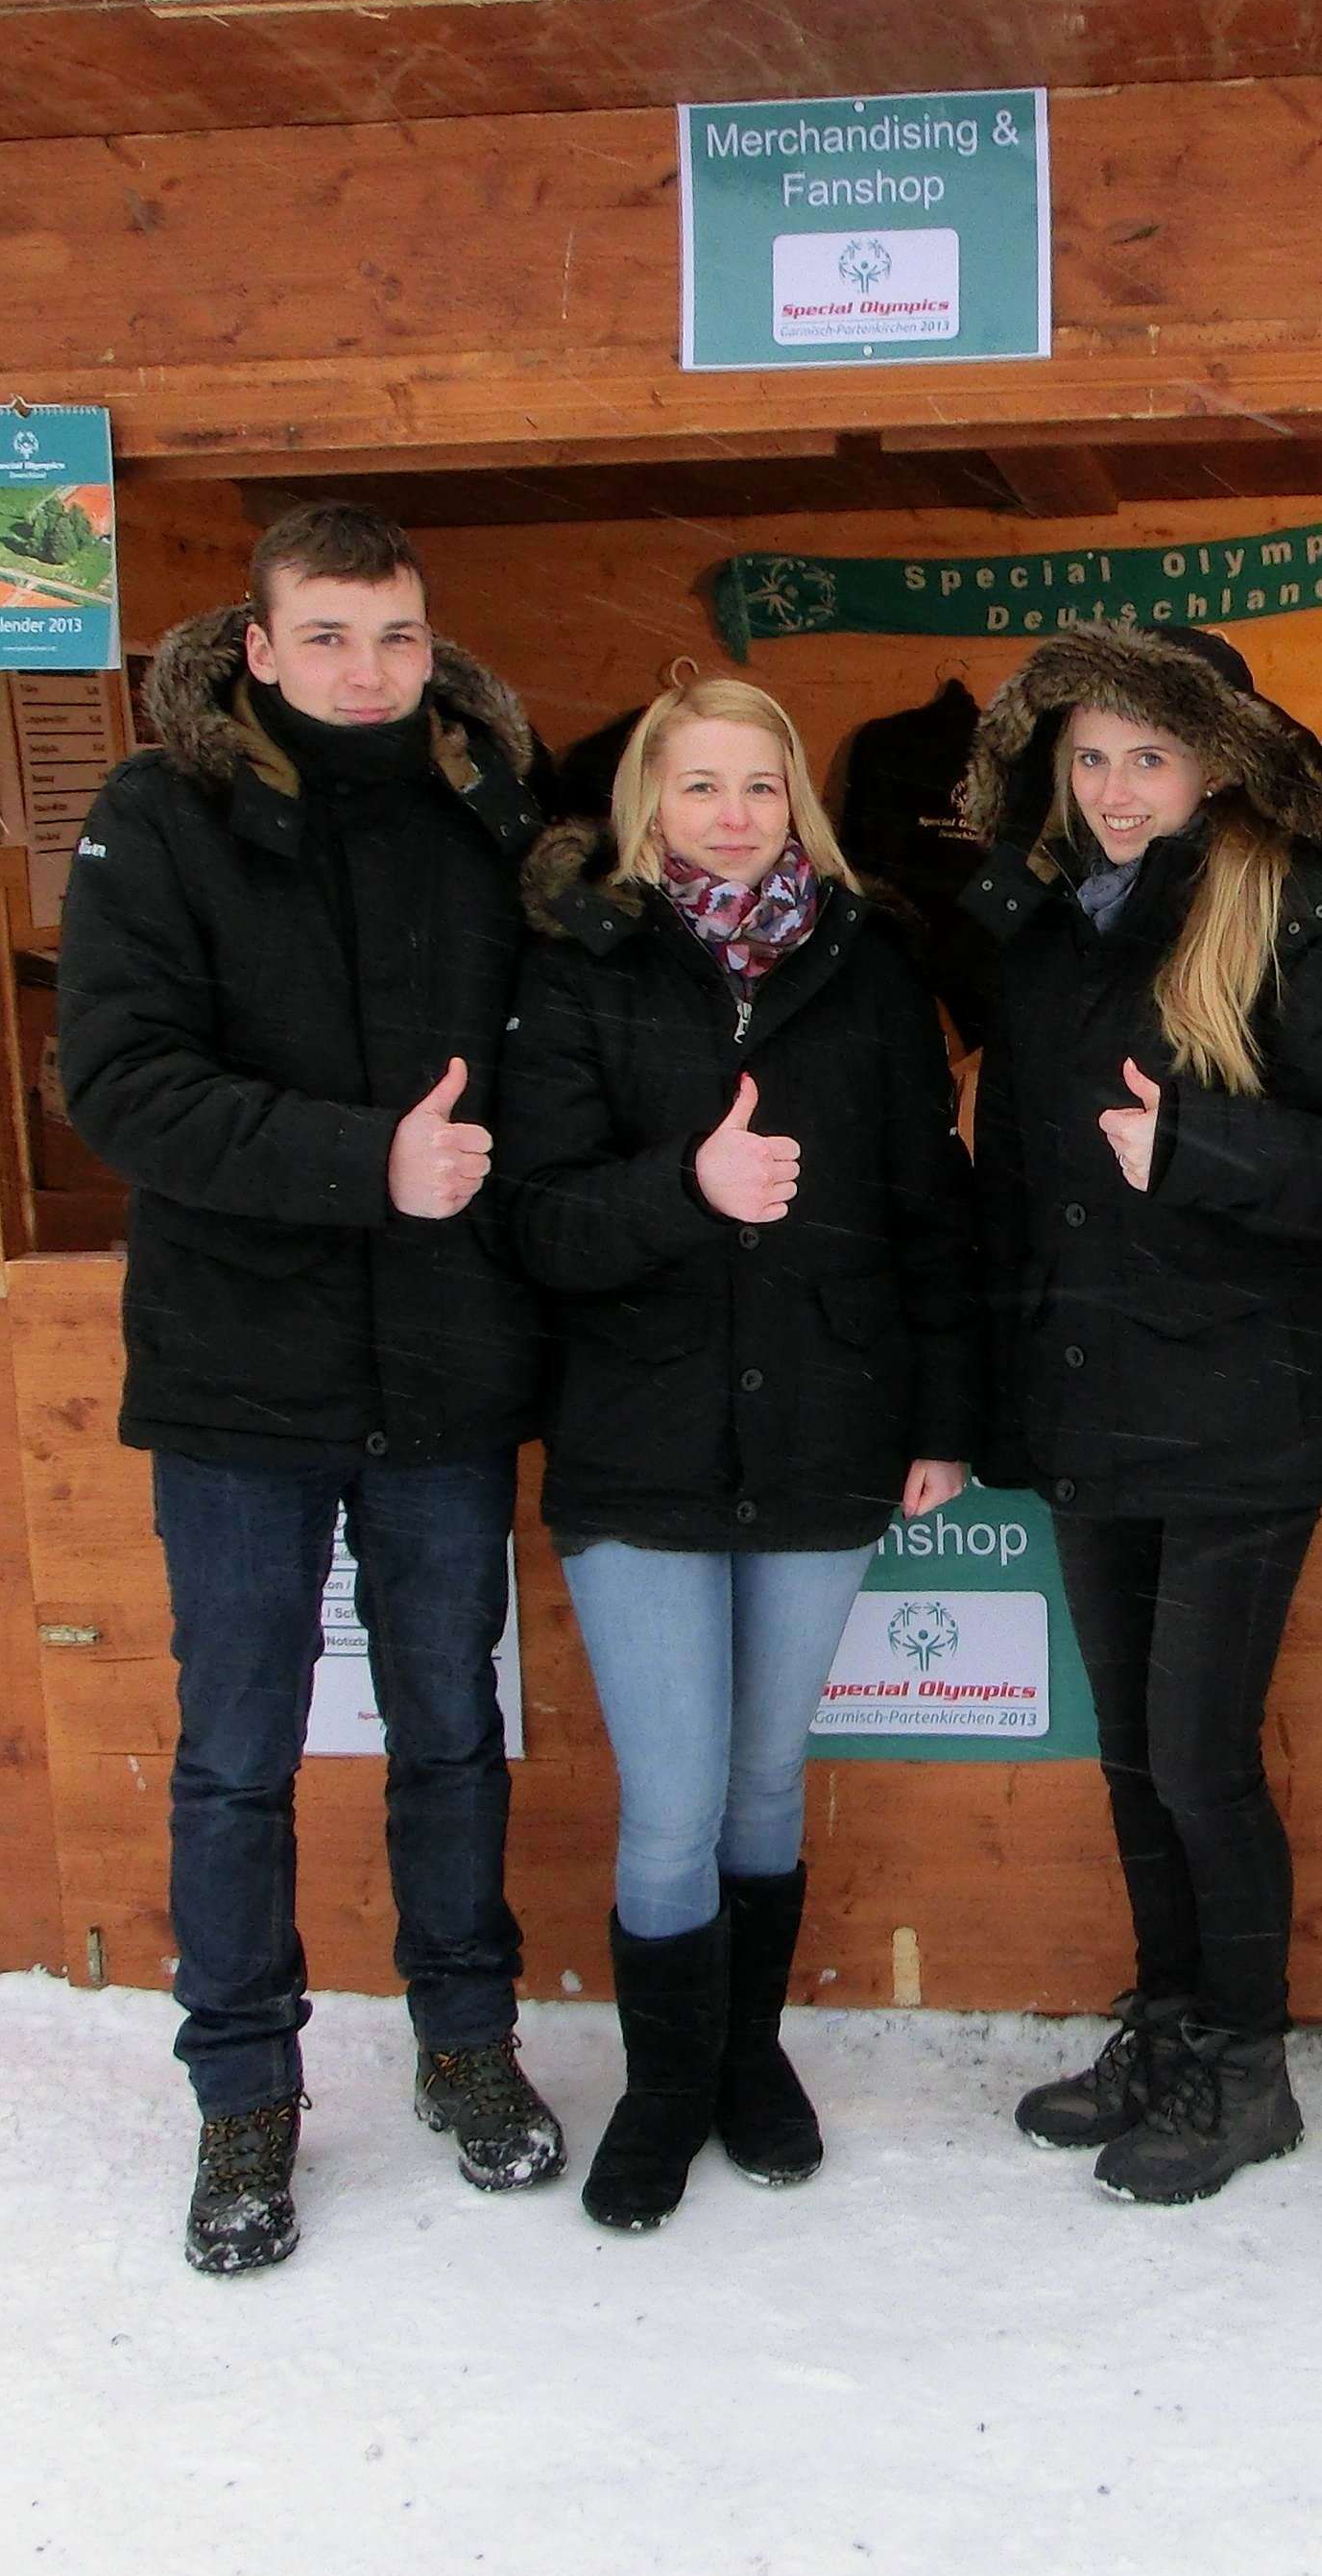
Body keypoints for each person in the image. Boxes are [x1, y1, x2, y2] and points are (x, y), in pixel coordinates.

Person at [59, 499, 556, 2278]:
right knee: (237, 1756)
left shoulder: (493, 816)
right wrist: (367, 1164)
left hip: (441, 1365)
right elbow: (117, 1084)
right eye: (330, 636)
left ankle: (467, 2045)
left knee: (448, 1729)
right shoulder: (160, 818)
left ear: (435, 650)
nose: (368, 671)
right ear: (257, 650)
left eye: (398, 638)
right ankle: (245, 2097)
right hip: (239, 1383)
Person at [496, 673, 981, 2232]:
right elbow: (539, 1222)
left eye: (758, 788)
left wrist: (941, 1415)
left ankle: (745, 2057)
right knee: (675, 1794)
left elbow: (928, 1206)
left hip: (828, 1425)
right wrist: (687, 1187)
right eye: (698, 786)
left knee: (766, 1783)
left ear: (798, 806)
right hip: (640, 1442)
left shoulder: (870, 968)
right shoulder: (583, 967)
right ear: (647, 805)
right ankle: (662, 2084)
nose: (729, 814)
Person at [957, 622, 1322, 2206]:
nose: (1117, 788)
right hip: (1091, 1402)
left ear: (1216, 760)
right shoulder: (1043, 926)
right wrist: (995, 1400)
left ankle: (1245, 2062)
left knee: (1201, 1758)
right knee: (1137, 1763)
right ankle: (1169, 2027)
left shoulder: (1289, 907)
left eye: (1149, 756)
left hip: (1233, 1408)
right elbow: (1009, 1181)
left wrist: (1201, 1151)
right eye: (1091, 757)